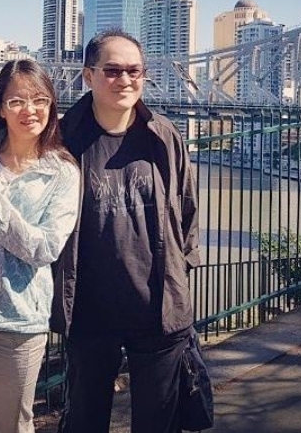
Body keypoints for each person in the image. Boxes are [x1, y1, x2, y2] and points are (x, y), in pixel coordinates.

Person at [51, 29, 202, 433]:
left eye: (134, 71)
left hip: (157, 308)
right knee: (84, 421)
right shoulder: (63, 139)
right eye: (112, 70)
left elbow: (187, 210)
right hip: (87, 309)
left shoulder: (164, 134)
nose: (125, 80)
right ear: (88, 75)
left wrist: (181, 274)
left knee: (160, 422)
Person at [0, 59, 81, 433]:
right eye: (16, 102)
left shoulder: (61, 172)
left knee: (12, 424)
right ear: (0, 107)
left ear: (52, 106)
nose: (30, 110)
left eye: (40, 100)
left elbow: (45, 249)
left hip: (21, 322)